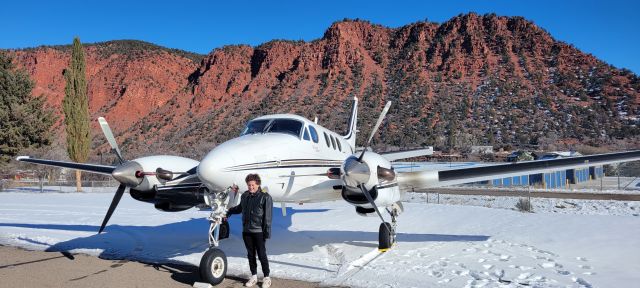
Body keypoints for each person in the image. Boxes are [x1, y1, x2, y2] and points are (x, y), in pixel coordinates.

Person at [227, 174, 273, 288]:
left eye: (252, 185)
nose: (250, 187)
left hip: (259, 231)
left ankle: (267, 277)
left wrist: (266, 233)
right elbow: (239, 208)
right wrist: (229, 211)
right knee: (250, 254)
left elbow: (268, 218)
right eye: (249, 185)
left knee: (262, 254)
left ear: (258, 184)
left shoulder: (265, 197)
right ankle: (254, 276)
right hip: (246, 231)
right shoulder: (245, 196)